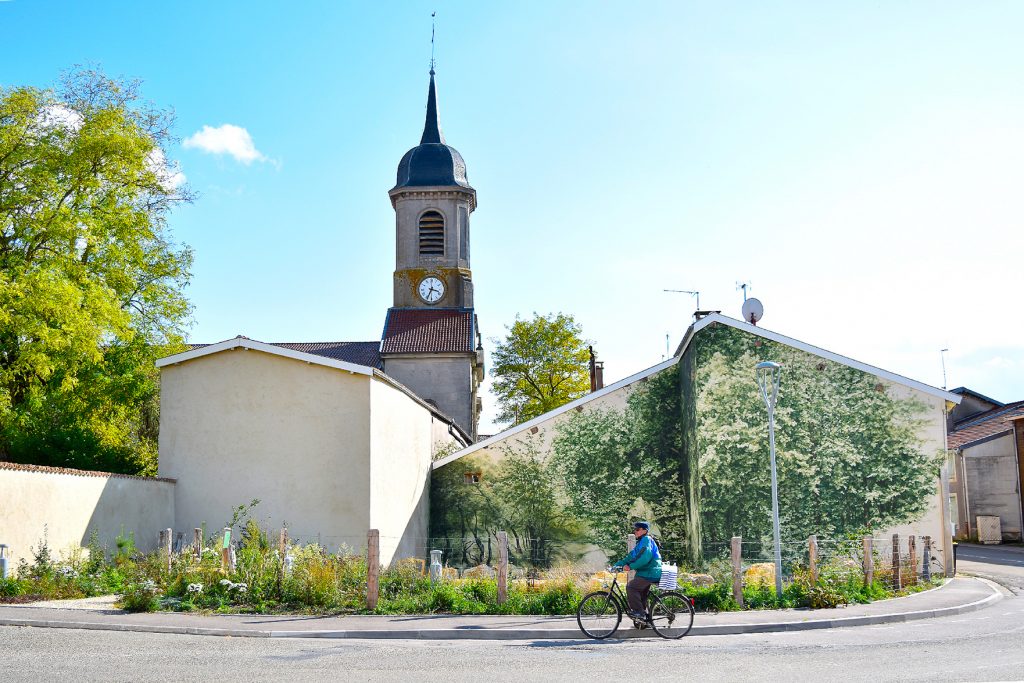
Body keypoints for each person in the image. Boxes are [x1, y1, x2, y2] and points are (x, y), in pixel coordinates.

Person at [610, 521, 662, 621]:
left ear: (644, 530)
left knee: (631, 587)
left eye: (637, 529)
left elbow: (645, 558)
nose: (635, 532)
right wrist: (616, 566)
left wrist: (631, 567)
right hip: (645, 572)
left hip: (650, 572)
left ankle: (639, 613)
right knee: (641, 595)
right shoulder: (640, 543)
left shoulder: (646, 540)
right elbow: (630, 557)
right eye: (635, 529)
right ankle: (644, 620)